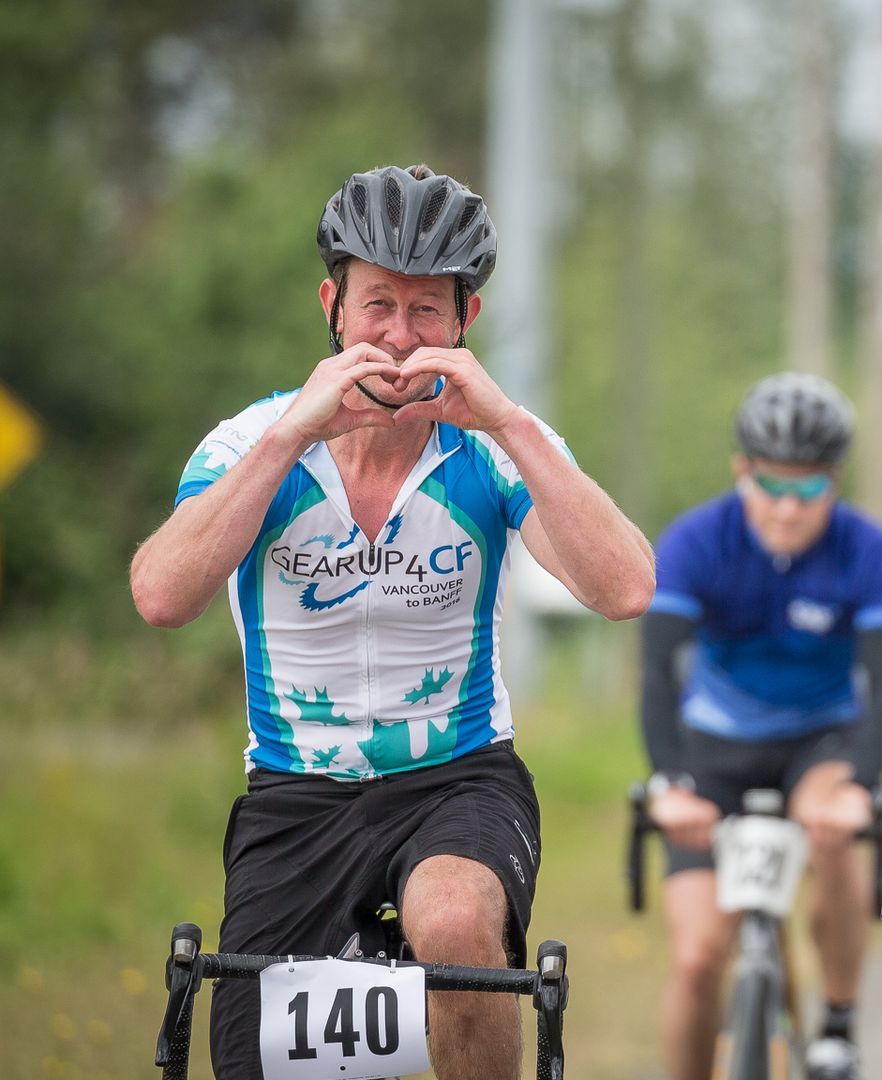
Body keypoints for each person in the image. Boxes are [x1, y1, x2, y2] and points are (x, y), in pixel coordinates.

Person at [129, 163, 655, 1079]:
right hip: (295, 789)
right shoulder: (251, 441)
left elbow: (626, 589)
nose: (399, 342)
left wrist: (510, 422)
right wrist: (293, 433)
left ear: (465, 324)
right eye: (378, 306)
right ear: (332, 306)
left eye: (426, 313)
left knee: (454, 920)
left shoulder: (492, 449)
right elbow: (161, 596)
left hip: (459, 778)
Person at [640, 372, 882, 1080]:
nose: (787, 510)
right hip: (712, 750)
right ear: (742, 472)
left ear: (835, 480)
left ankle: (838, 1026)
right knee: (699, 955)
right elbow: (656, 674)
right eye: (770, 486)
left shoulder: (871, 551)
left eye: (808, 490)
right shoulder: (697, 539)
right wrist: (670, 784)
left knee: (830, 826)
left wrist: (859, 783)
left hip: (817, 741)